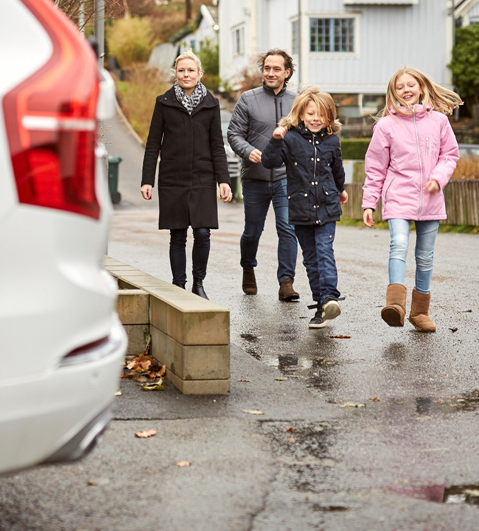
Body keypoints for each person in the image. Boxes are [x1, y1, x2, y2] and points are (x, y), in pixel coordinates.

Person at [361, 67, 463, 332]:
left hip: (431, 198)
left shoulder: (439, 121)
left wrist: (438, 178)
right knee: (399, 244)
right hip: (398, 196)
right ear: (393, 93)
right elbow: (375, 167)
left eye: (410, 85)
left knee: (425, 256)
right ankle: (395, 305)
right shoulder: (385, 126)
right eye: (400, 87)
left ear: (421, 88)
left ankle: (420, 313)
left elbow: (450, 155)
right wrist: (369, 202)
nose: (406, 90)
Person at [141, 50, 233, 300]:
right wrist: (147, 179)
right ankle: (178, 285)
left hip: (203, 177)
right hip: (173, 178)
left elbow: (217, 145)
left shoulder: (211, 104)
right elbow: (152, 143)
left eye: (191, 70)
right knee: (178, 234)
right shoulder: (164, 102)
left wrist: (223, 180)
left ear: (199, 74)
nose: (186, 74)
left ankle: (198, 283)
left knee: (203, 232)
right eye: (181, 70)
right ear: (175, 74)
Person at [261, 87, 348, 328]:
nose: (316, 119)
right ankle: (321, 306)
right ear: (301, 115)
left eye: (321, 115)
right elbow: (269, 162)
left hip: (327, 205)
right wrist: (275, 140)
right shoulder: (289, 138)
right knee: (310, 259)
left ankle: (331, 296)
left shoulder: (332, 140)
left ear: (329, 117)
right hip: (300, 207)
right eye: (311, 114)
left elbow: (337, 169)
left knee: (324, 250)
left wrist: (341, 190)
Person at [227, 49, 299, 301]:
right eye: (267, 68)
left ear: (287, 72)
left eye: (276, 69)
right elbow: (234, 134)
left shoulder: (297, 102)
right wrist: (248, 151)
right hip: (255, 177)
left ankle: (286, 282)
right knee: (252, 231)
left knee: (287, 228)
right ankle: (248, 266)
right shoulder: (248, 99)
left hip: (286, 178)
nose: (270, 73)